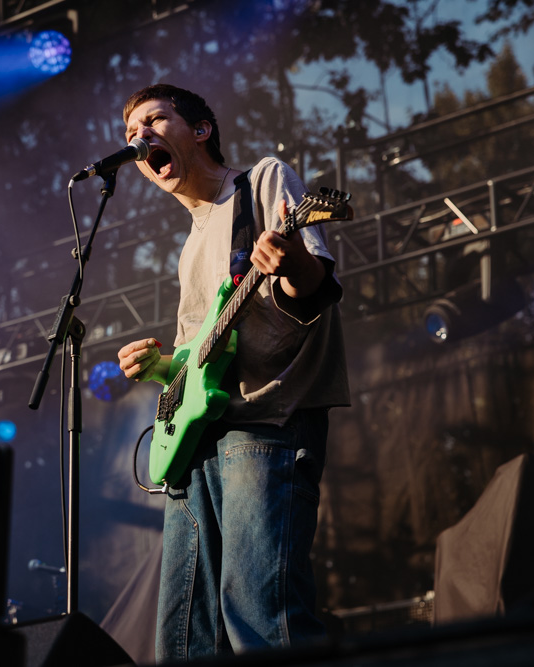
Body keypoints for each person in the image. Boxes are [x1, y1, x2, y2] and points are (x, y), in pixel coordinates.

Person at [116, 83, 350, 661]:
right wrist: (158, 367)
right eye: (129, 134)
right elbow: (200, 359)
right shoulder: (190, 245)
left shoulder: (264, 181)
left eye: (154, 120)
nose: (139, 137)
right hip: (198, 444)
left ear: (200, 130)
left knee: (263, 621)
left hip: (266, 425)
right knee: (185, 639)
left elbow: (312, 293)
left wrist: (290, 258)